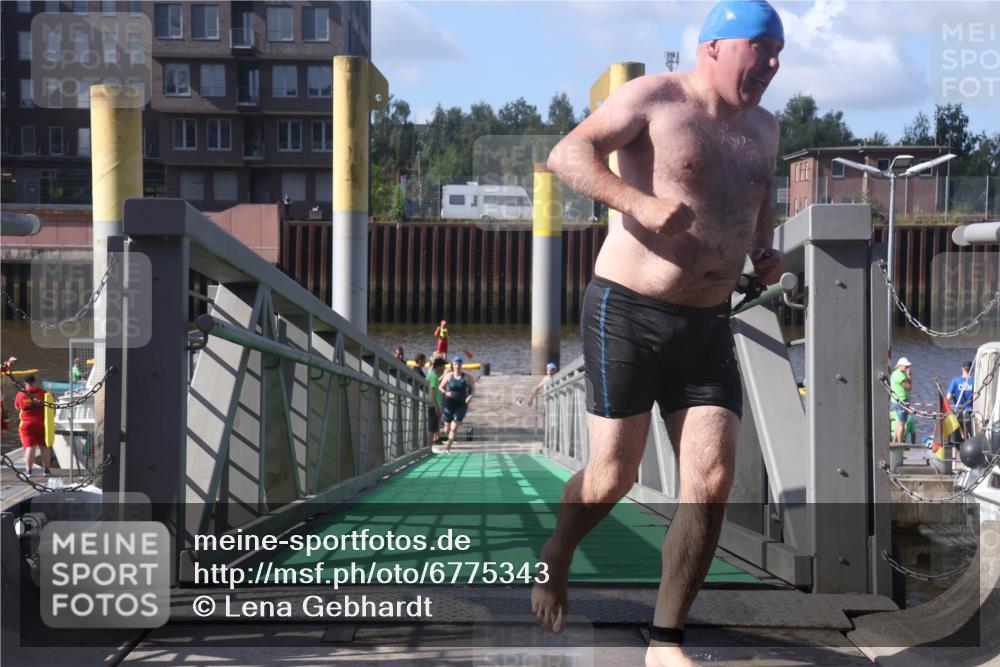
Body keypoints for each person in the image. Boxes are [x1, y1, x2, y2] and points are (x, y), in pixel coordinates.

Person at [534, 2, 785, 664]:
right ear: (715, 47)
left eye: (778, 53)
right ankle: (558, 550)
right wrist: (639, 204)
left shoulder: (766, 127)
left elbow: (758, 196)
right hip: (628, 310)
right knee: (611, 474)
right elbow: (567, 154)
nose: (771, 64)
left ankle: (666, 639)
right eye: (761, 48)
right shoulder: (656, 97)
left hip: (708, 321)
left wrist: (764, 249)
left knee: (711, 476)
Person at [14, 375, 51, 477]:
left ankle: (29, 472)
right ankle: (46, 471)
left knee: (30, 447)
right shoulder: (43, 393)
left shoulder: (20, 394)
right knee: (44, 446)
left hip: (27, 424)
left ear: (25, 383)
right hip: (42, 423)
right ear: (34, 382)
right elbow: (54, 400)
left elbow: (16, 407)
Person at [438, 356, 475, 452]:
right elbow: (440, 387)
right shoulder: (448, 376)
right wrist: (446, 393)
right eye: (455, 364)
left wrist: (470, 396)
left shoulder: (467, 377)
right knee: (446, 429)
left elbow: (473, 389)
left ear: (462, 365)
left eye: (459, 364)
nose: (457, 366)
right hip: (449, 404)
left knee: (453, 427)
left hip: (461, 404)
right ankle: (451, 439)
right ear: (452, 365)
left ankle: (448, 448)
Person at [890, 358, 913, 444]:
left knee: (899, 422)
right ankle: (900, 443)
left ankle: (895, 441)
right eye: (906, 366)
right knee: (902, 423)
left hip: (895, 400)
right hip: (902, 401)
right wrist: (909, 376)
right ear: (900, 365)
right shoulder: (901, 375)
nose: (907, 367)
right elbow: (909, 387)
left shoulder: (894, 373)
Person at [426, 357, 446, 448]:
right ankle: (429, 448)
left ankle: (431, 447)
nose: (444, 368)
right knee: (431, 428)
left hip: (433, 405)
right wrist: (437, 407)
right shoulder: (433, 376)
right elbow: (432, 392)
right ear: (438, 366)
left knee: (433, 427)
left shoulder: (432, 375)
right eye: (443, 366)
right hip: (433, 405)